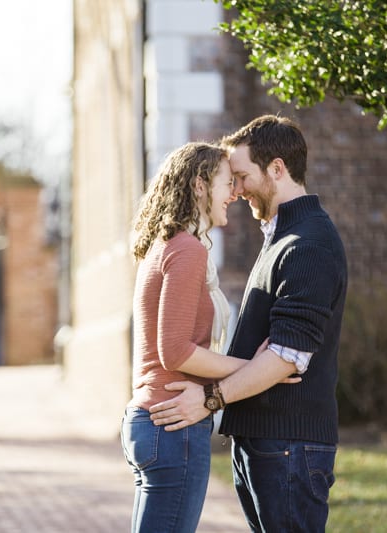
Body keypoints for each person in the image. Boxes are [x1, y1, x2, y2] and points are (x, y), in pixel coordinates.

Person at [148, 115, 348, 532]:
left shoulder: (308, 243)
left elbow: (286, 358)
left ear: (277, 169)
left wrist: (208, 399)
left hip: (290, 446)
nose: (236, 191)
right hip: (267, 443)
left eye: (241, 177)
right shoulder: (280, 238)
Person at [121, 141, 299, 533]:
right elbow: (176, 351)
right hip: (173, 425)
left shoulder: (168, 246)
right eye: (226, 183)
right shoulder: (186, 250)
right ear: (200, 185)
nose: (234, 193)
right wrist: (258, 368)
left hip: (155, 423)